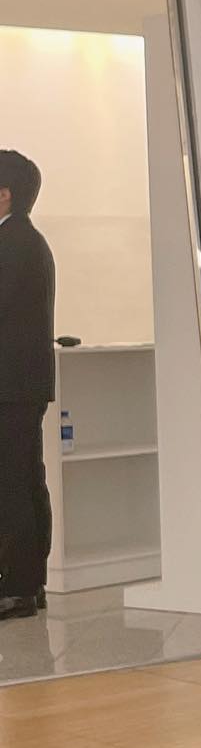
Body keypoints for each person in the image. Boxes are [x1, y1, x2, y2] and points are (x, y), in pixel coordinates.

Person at [0, 149, 55, 621]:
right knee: (27, 479)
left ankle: (16, 587)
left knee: (11, 484)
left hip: (9, 384)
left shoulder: (11, 243)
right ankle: (31, 582)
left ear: (5, 195)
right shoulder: (29, 241)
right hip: (23, 383)